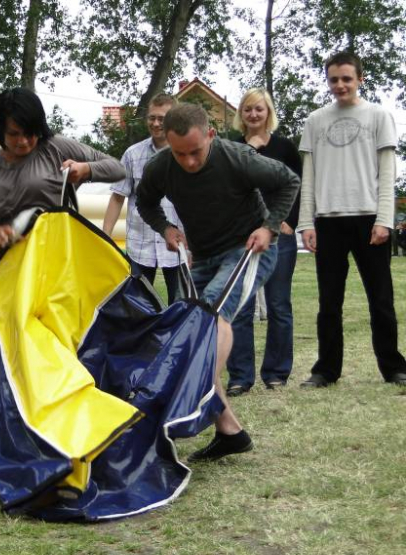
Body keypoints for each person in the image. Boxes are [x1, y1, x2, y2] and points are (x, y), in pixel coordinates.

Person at [136, 103, 299, 462]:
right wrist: (166, 228)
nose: (190, 161)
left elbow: (289, 181)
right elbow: (145, 201)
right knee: (188, 324)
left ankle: (192, 396)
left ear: (210, 135)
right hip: (203, 255)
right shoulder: (161, 167)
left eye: (196, 152)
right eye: (181, 154)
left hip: (247, 247)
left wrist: (269, 227)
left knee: (210, 314)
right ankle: (230, 431)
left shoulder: (237, 157)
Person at [297, 51, 406, 388]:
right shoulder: (315, 120)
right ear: (327, 81)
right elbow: (309, 176)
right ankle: (325, 370)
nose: (340, 85)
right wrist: (306, 223)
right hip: (328, 220)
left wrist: (385, 219)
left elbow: (387, 172)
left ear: (360, 78)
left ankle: (394, 368)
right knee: (329, 302)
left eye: (346, 78)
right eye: (334, 79)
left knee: (381, 299)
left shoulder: (378, 116)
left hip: (369, 218)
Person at [0, 87, 125, 275]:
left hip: (59, 265)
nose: (23, 141)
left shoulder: (55, 147)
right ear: (0, 130)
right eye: (14, 134)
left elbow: (117, 168)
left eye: (30, 133)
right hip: (12, 268)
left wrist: (86, 169)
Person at [225, 88, 303, 396]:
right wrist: (251, 149)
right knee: (240, 307)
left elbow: (297, 186)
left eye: (259, 109)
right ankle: (240, 377)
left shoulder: (284, 147)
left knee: (279, 304)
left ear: (268, 112)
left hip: (278, 236)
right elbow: (227, 186)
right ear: (240, 114)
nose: (254, 115)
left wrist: (289, 222)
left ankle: (276, 372)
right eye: (248, 110)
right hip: (241, 236)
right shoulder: (230, 147)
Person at [103, 93, 181, 303]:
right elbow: (117, 197)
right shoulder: (132, 154)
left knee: (182, 307)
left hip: (177, 247)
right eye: (152, 118)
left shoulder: (184, 154)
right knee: (137, 307)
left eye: (162, 119)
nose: (156, 124)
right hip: (140, 245)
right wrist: (105, 237)